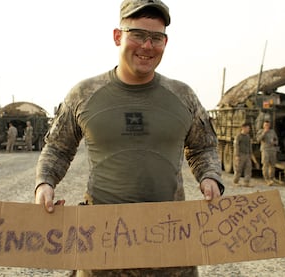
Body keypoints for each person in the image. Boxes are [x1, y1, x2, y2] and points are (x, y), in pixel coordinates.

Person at [35, 1, 224, 276]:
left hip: (171, 244)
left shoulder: (183, 96)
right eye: (137, 34)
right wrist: (45, 183)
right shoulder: (84, 94)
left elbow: (203, 146)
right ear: (117, 36)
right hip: (101, 246)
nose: (147, 46)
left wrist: (209, 177)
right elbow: (58, 148)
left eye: (156, 38)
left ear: (165, 42)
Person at [256, 119, 278, 186]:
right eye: (265, 125)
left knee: (272, 165)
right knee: (265, 164)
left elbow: (276, 139)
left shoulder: (272, 132)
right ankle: (266, 179)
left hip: (272, 149)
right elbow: (258, 140)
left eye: (268, 125)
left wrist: (275, 142)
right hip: (265, 149)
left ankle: (271, 178)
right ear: (263, 125)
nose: (267, 126)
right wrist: (264, 133)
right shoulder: (261, 131)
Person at [233, 122, 253, 187]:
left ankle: (246, 182)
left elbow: (250, 146)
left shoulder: (248, 136)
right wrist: (237, 155)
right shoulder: (239, 136)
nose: (248, 129)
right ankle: (236, 181)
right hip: (240, 155)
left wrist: (250, 154)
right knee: (239, 169)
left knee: (248, 168)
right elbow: (236, 146)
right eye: (247, 128)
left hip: (247, 155)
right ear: (243, 128)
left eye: (249, 128)